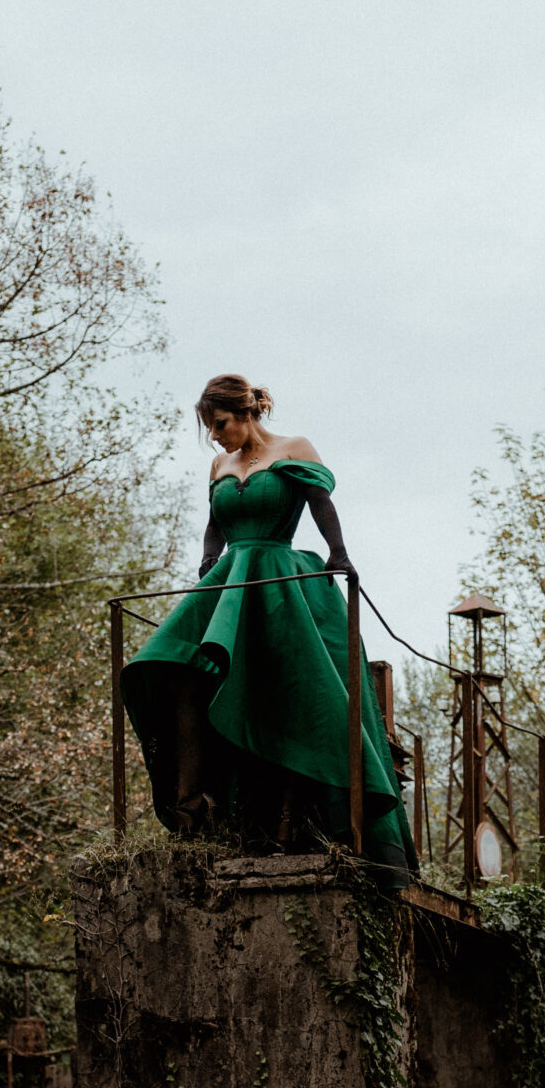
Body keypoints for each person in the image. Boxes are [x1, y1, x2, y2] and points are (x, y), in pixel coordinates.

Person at [120, 373, 417, 874]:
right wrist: (209, 558)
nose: (215, 437)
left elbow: (322, 504)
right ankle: (196, 812)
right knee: (171, 662)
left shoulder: (294, 448)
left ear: (247, 414)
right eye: (211, 429)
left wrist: (339, 554)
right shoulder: (220, 464)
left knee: (296, 692)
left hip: (280, 579)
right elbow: (215, 522)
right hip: (231, 582)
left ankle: (288, 822)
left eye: (220, 425)